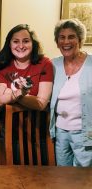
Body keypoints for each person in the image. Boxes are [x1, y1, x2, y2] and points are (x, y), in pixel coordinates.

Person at [50, 18, 92, 167]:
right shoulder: (53, 65)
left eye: (71, 37)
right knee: (62, 176)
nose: (66, 41)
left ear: (80, 40)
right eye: (62, 37)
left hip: (85, 132)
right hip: (60, 131)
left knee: (83, 178)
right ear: (57, 42)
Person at [0, 24, 53, 110]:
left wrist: (9, 92)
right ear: (9, 44)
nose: (21, 46)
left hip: (37, 122)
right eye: (16, 41)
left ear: (33, 43)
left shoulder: (45, 64)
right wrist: (20, 93)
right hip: (9, 121)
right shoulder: (3, 65)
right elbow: (0, 100)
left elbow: (41, 104)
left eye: (26, 41)